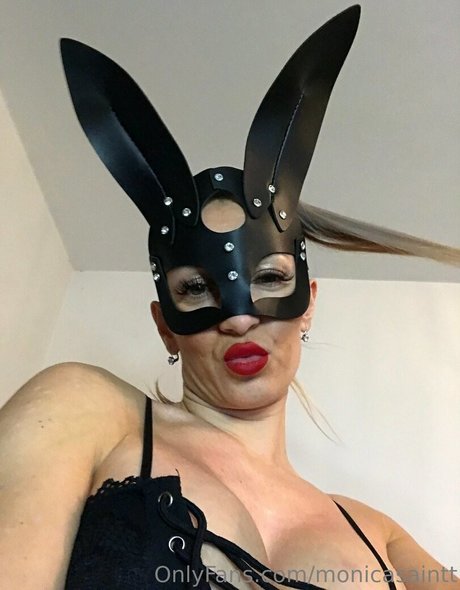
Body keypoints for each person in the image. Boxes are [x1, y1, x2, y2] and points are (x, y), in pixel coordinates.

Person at [1, 5, 459, 590]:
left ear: (308, 303)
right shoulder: (86, 411)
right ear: (164, 325)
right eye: (196, 288)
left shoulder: (379, 534)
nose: (240, 319)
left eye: (270, 279)